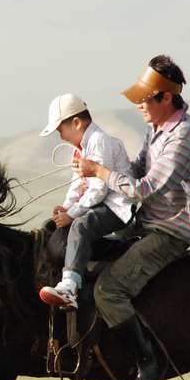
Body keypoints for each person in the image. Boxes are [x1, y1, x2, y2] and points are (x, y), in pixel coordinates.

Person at [74, 55, 190, 380]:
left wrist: (101, 173)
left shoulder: (182, 138)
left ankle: (147, 360)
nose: (139, 107)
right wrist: (96, 171)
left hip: (168, 233)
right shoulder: (158, 128)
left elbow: (142, 189)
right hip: (143, 224)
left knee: (109, 289)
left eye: (143, 100)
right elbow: (136, 168)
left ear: (165, 98)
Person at [37, 94, 136, 309]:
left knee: (81, 225)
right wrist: (66, 207)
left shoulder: (99, 141)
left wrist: (72, 214)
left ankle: (70, 287)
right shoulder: (79, 149)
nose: (61, 137)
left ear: (76, 123)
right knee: (64, 228)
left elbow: (99, 190)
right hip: (100, 205)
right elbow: (77, 184)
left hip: (116, 207)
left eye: (61, 130)